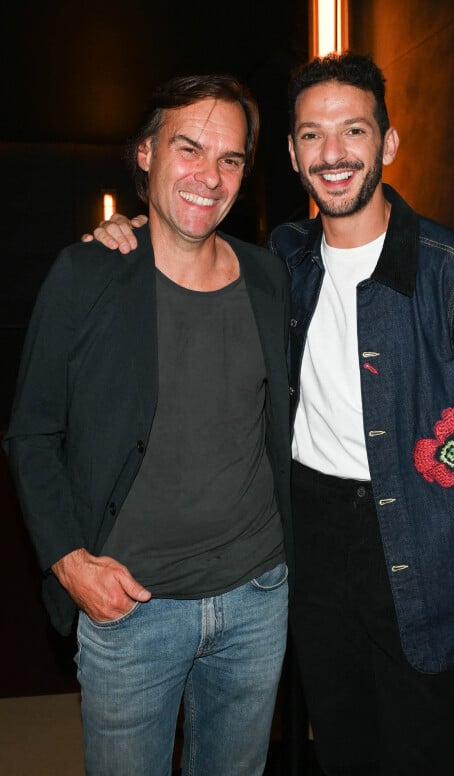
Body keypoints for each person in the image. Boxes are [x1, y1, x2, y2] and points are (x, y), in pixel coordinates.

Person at [83, 53, 454, 776]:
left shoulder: (452, 270)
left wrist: (445, 465)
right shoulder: (283, 258)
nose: (333, 154)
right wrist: (127, 234)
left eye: (353, 131)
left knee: (420, 753)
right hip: (307, 534)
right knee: (337, 744)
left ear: (387, 144)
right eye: (312, 135)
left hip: (422, 537)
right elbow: (189, 255)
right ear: (293, 154)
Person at [4, 74, 293, 776]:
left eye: (230, 159)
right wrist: (70, 564)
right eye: (189, 148)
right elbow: (32, 433)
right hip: (132, 611)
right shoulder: (86, 275)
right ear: (145, 154)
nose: (210, 176)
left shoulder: (269, 276)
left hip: (257, 601)